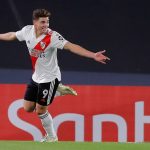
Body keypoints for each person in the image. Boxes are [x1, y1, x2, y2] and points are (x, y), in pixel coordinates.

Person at [0, 8, 110, 142]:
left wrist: (93, 55)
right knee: (28, 108)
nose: (46, 25)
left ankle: (52, 137)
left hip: (50, 78)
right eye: (42, 22)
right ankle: (57, 91)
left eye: (47, 22)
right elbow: (12, 35)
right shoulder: (27, 31)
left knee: (40, 110)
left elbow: (70, 46)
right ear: (34, 22)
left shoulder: (52, 36)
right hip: (36, 77)